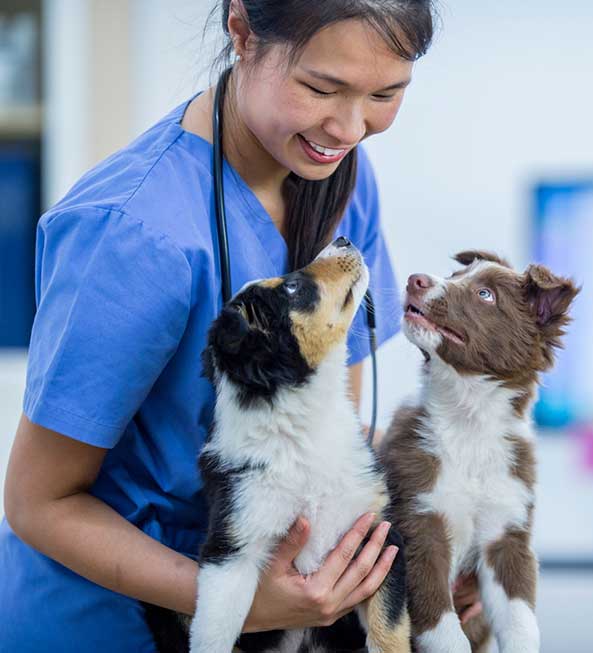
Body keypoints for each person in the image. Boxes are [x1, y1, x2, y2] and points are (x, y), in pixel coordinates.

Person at [0, 1, 479, 650]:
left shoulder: (337, 175)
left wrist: (400, 570)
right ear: (242, 32)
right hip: (103, 618)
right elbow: (38, 503)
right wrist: (237, 599)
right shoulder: (134, 231)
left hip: (274, 613)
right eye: (320, 87)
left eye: (387, 93)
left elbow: (334, 439)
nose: (349, 125)